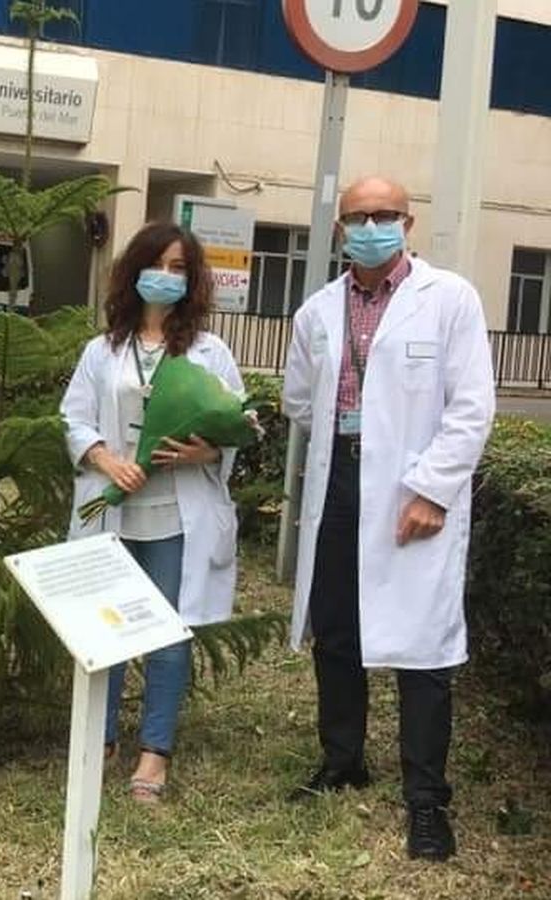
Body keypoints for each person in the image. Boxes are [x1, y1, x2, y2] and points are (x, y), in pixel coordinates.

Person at [282, 176, 494, 861]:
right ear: (340, 230)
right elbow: (300, 401)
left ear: (408, 221)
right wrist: (349, 448)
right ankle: (343, 761)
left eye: (383, 215)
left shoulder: (449, 299)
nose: (370, 225)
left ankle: (427, 801)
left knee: (422, 645)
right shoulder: (317, 310)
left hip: (412, 483)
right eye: (357, 217)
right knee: (337, 628)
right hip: (340, 477)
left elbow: (471, 408)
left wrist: (432, 489)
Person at [60, 222, 244, 803]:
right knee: (106, 629)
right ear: (133, 270)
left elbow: (240, 424)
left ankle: (154, 753)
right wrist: (105, 461)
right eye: (156, 264)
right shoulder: (104, 349)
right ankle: (101, 740)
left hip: (176, 516)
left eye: (177, 269)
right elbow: (74, 418)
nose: (164, 277)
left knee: (168, 633)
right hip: (115, 514)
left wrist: (204, 450)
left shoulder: (210, 352)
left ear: (191, 281)